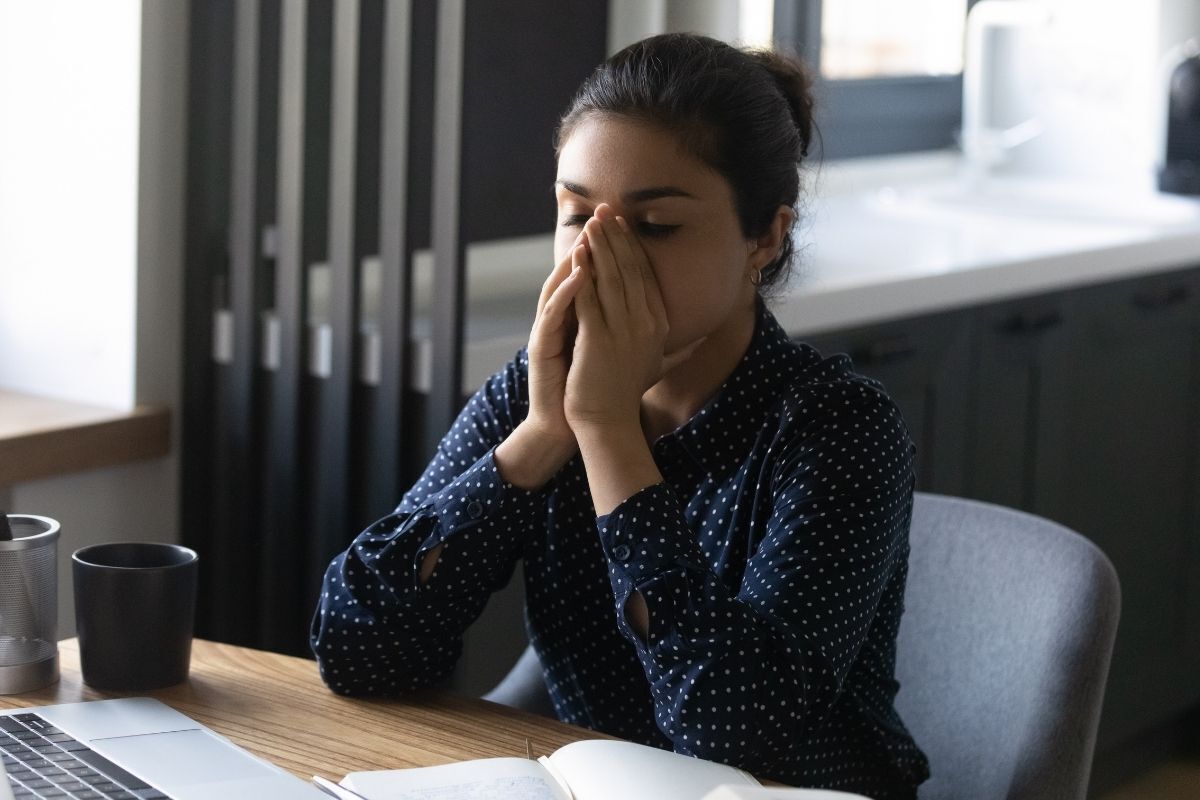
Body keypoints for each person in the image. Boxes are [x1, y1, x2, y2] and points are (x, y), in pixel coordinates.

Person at [311, 32, 929, 799]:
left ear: (764, 236)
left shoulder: (839, 431)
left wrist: (605, 435)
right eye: (577, 216)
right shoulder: (538, 393)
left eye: (655, 226)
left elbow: (732, 740)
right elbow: (352, 647)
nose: (599, 261)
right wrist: (542, 438)